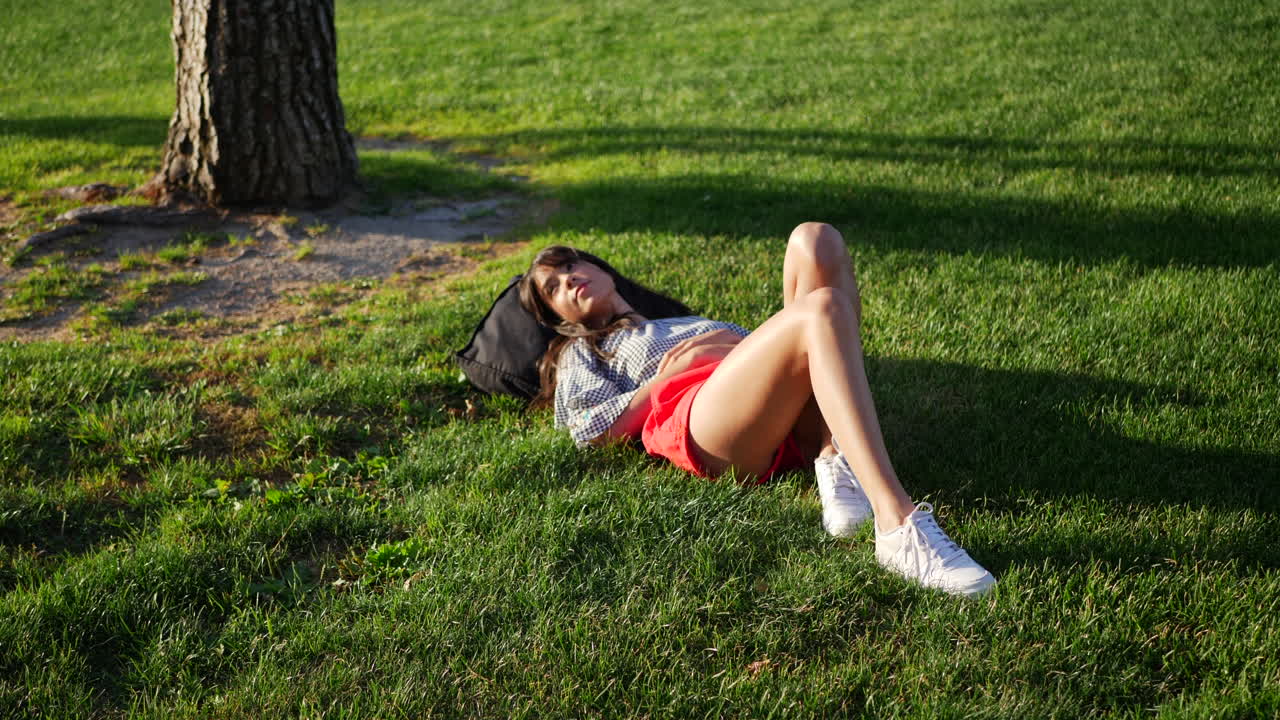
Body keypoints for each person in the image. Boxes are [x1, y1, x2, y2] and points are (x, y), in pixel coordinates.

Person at [518, 222, 995, 597]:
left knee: (815, 240)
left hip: (772, 408)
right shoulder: (583, 352)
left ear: (603, 270)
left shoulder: (678, 321)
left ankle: (834, 460)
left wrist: (728, 344)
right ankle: (896, 527)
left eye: (572, 266)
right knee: (823, 306)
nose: (570, 279)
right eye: (555, 286)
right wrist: (668, 376)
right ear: (559, 317)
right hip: (700, 418)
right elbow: (585, 429)